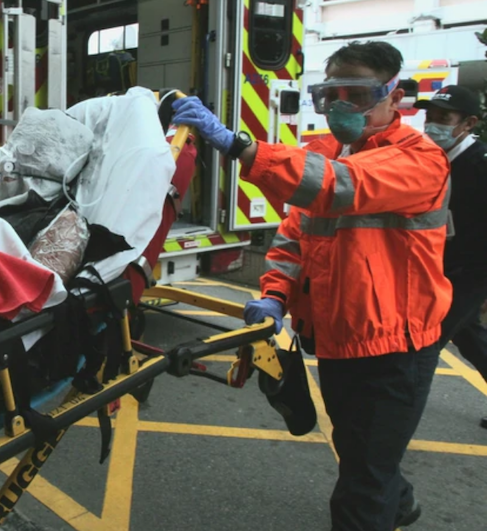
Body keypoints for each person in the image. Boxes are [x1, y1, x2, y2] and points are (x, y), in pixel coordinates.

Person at [172, 41, 450, 530]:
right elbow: (294, 240)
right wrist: (275, 295)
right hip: (341, 338)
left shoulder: (419, 160)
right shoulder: (328, 153)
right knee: (358, 448)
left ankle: (384, 501)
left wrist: (239, 145)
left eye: (357, 94)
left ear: (395, 96)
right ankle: (398, 500)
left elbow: (339, 186)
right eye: (331, 93)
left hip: (393, 347)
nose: (341, 105)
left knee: (361, 486)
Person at [417, 85, 487, 429]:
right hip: (440, 265)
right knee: (469, 335)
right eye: (429, 116)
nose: (432, 125)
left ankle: (392, 416)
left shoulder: (480, 165)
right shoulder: (431, 157)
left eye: (443, 118)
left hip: (473, 271)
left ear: (469, 123)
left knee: (427, 342)